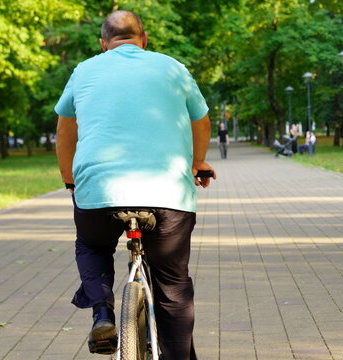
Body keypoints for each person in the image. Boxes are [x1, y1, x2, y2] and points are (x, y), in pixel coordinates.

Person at [54, 10, 215, 360]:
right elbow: (201, 119)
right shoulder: (172, 67)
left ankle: (102, 314)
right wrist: (197, 162)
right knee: (173, 285)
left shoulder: (85, 70)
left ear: (104, 44)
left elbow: (66, 129)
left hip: (100, 191)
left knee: (92, 245)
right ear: (143, 39)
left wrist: (70, 179)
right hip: (167, 194)